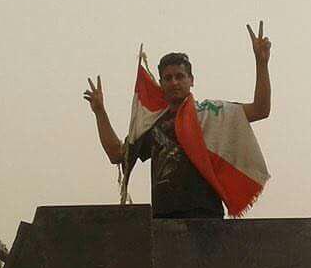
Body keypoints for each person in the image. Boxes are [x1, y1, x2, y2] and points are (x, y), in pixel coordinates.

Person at [84, 22, 272, 218]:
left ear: (191, 80)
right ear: (161, 83)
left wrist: (262, 64)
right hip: (163, 217)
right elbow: (117, 154)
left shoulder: (210, 113)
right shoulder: (153, 123)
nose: (174, 82)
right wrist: (100, 112)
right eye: (168, 78)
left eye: (180, 76)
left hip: (205, 214)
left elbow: (260, 109)